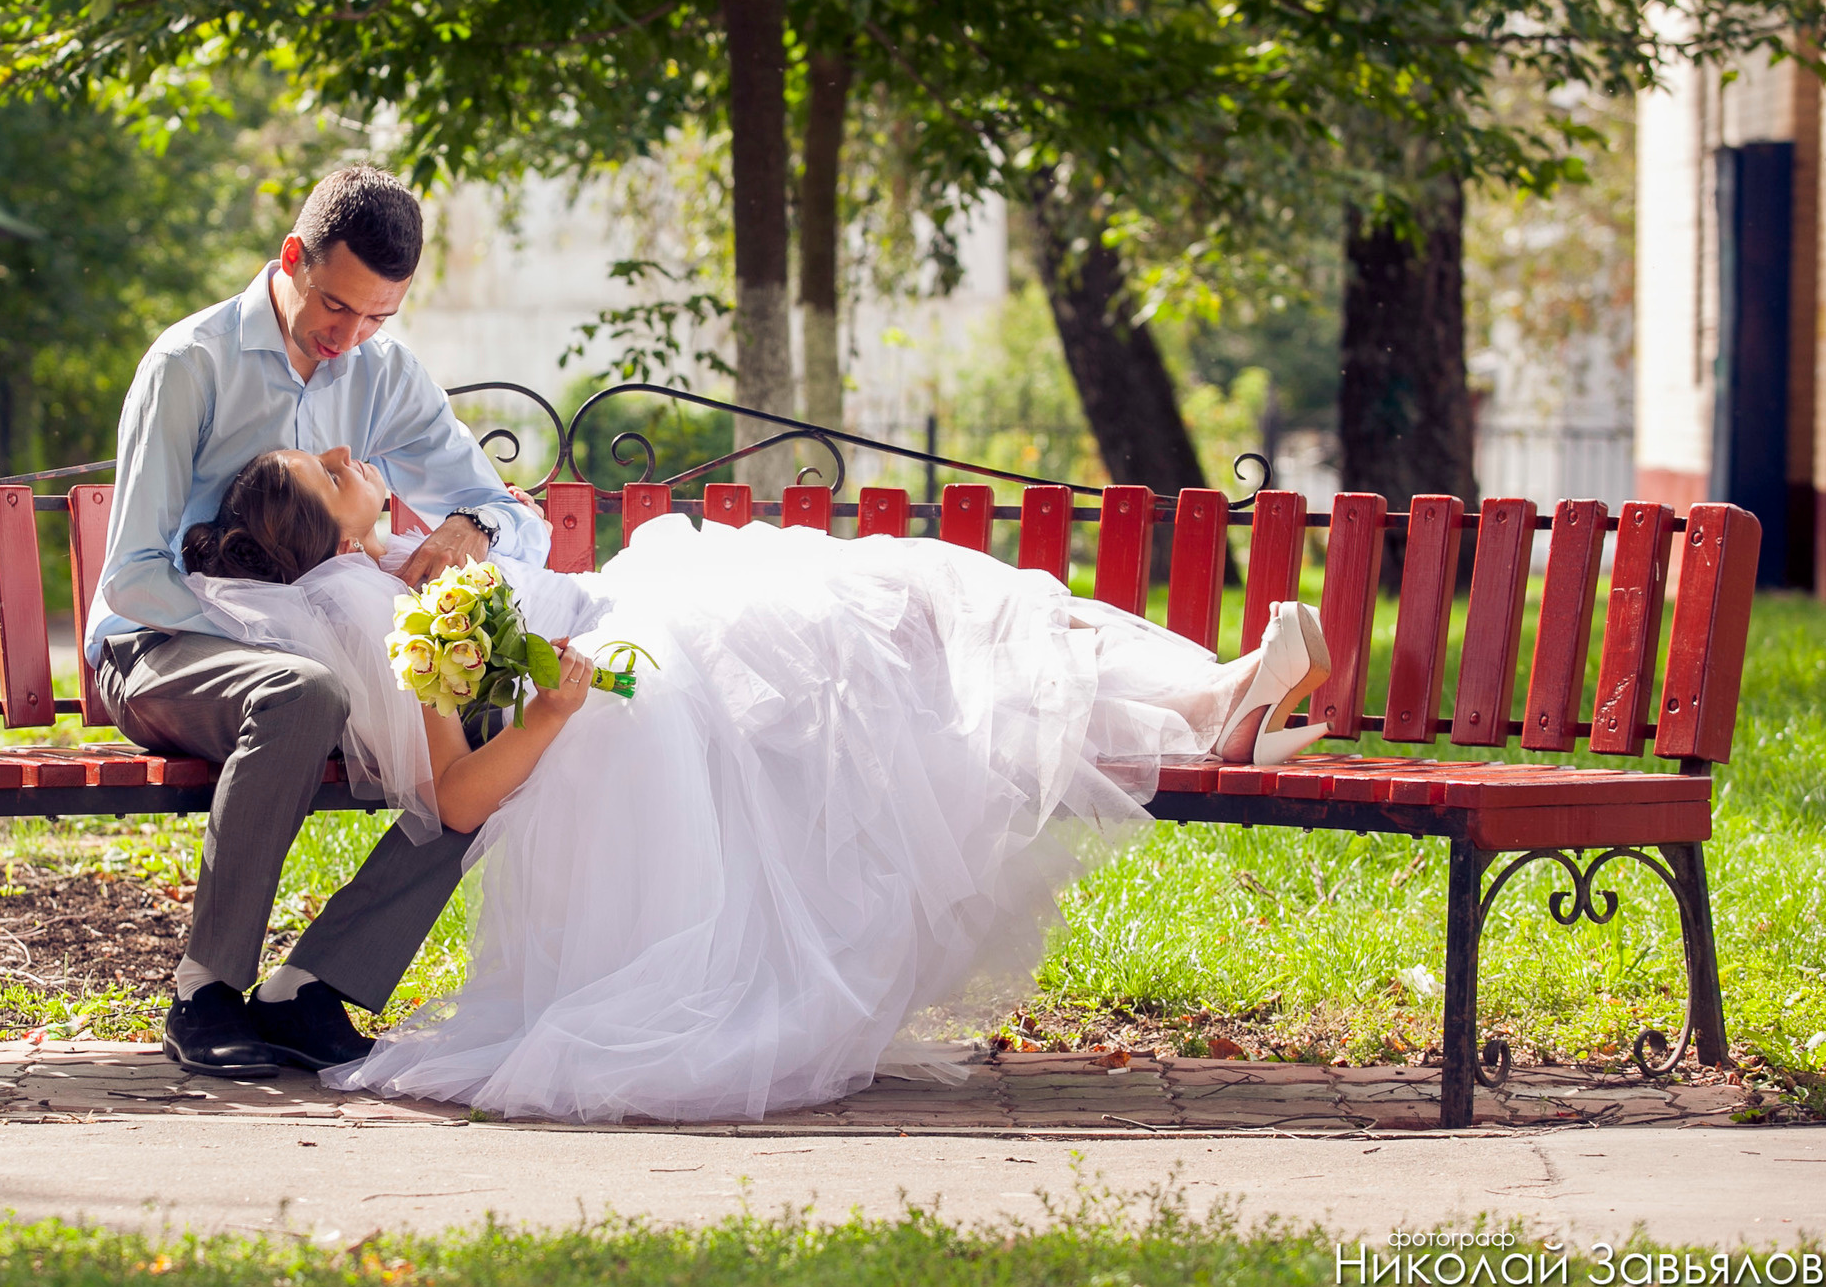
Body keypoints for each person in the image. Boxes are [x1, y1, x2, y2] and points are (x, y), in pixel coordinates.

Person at [175, 443, 1334, 1124]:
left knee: (922, 604)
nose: (350, 455)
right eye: (328, 471)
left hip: (639, 624)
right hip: (635, 681)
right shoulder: (404, 617)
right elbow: (464, 795)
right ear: (322, 534)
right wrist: (554, 709)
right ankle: (1206, 710)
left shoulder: (407, 564)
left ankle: (1205, 711)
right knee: (908, 617)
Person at [85, 165, 547, 1081]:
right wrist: (294, 634)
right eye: (336, 307)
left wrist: (471, 524)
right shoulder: (192, 364)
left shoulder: (382, 371)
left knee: (500, 720)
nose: (350, 338)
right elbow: (135, 574)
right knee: (305, 690)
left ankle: (313, 983)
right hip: (166, 644)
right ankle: (205, 990)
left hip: (318, 637)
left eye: (379, 317)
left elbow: (511, 514)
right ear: (292, 258)